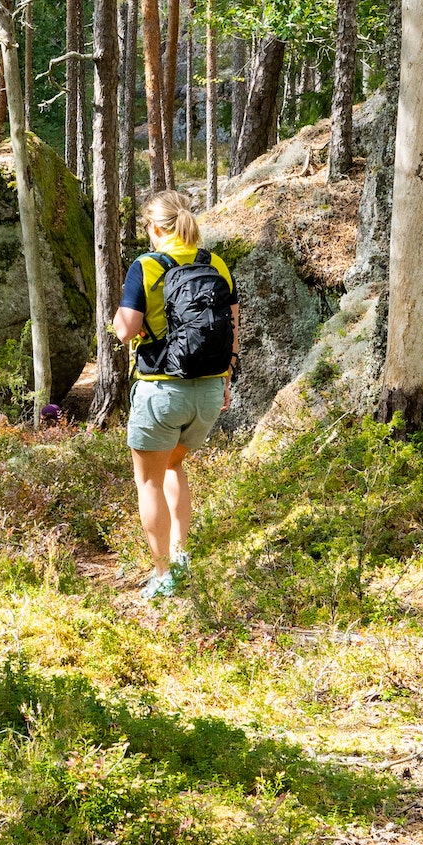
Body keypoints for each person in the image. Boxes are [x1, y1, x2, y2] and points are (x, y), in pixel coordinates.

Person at [112, 188, 238, 602]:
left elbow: (126, 329)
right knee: (174, 466)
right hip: (209, 390)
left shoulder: (146, 266)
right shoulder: (215, 263)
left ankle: (163, 573)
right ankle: (183, 555)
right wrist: (226, 380)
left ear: (154, 227)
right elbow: (232, 326)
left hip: (162, 391)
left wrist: (119, 315)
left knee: (147, 479)